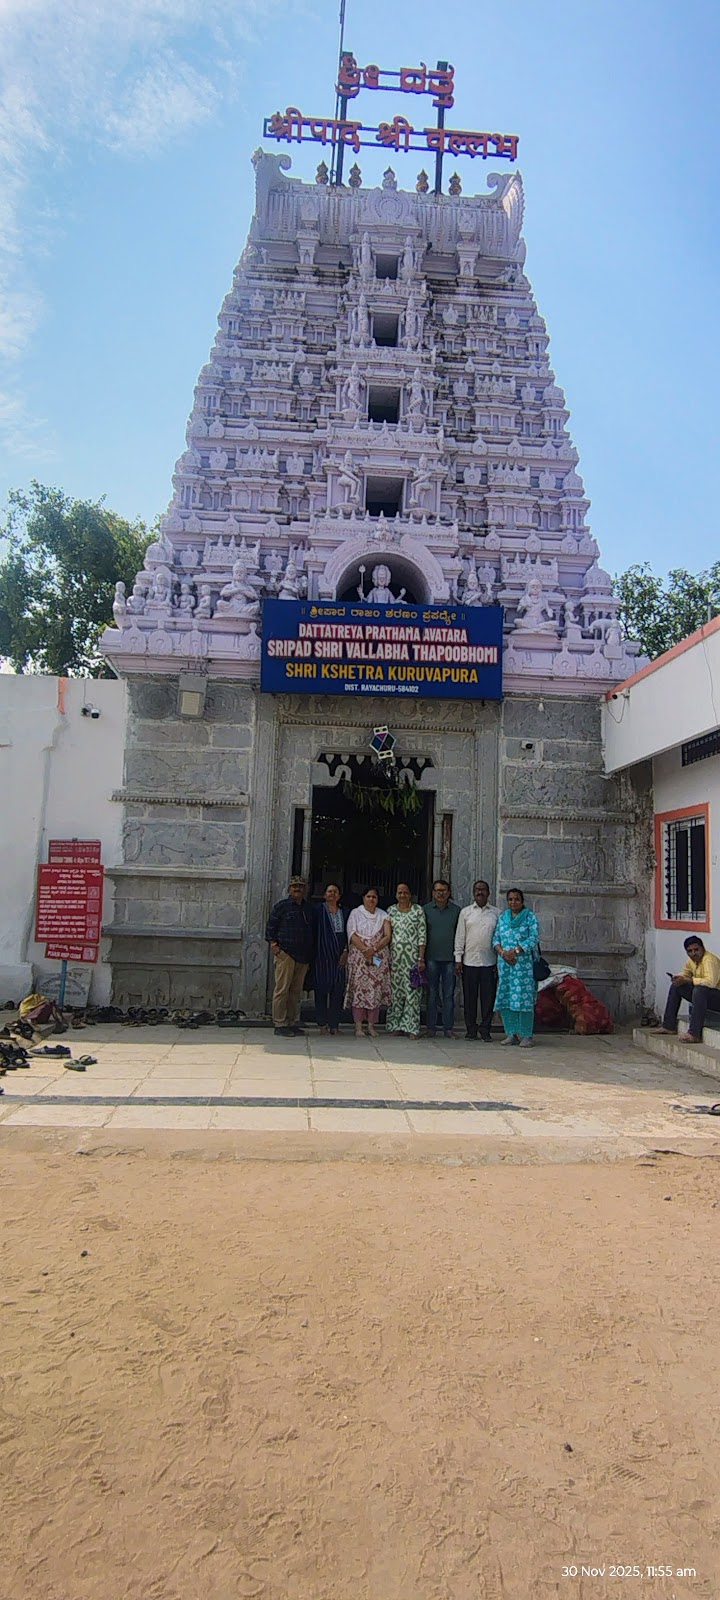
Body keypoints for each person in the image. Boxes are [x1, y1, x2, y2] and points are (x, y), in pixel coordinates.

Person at [265, 876, 313, 1037]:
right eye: (294, 886)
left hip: (303, 956)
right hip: (286, 954)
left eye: (300, 886)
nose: (297, 889)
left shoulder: (308, 908)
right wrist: (276, 948)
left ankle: (291, 1022)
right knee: (282, 990)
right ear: (289, 889)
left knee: (295, 992)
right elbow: (270, 928)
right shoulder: (282, 907)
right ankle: (279, 1023)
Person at [493, 887, 541, 1047]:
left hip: (523, 965)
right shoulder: (503, 918)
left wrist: (516, 951)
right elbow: (495, 939)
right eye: (510, 899)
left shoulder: (530, 917)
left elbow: (534, 938)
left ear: (522, 901)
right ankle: (510, 1033)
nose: (513, 902)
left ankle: (526, 1035)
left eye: (517, 899)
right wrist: (503, 953)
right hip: (505, 964)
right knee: (507, 997)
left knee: (524, 999)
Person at [454, 880, 500, 1041]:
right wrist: (458, 958)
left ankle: (485, 1030)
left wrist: (499, 961)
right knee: (470, 999)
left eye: (483, 889)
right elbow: (460, 936)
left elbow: (500, 938)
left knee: (488, 999)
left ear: (488, 892)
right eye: (477, 890)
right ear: (473, 893)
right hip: (469, 962)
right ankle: (471, 1030)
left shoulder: (497, 913)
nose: (480, 892)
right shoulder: (465, 912)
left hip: (489, 962)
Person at [344, 888, 392, 1038]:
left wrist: (374, 948)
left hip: (378, 956)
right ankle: (358, 1026)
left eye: (374, 897)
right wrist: (365, 950)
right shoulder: (355, 913)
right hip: (360, 957)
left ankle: (371, 1026)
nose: (371, 899)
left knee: (374, 991)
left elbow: (387, 935)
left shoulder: (383, 915)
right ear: (363, 898)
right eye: (368, 896)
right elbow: (352, 934)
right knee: (359, 990)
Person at [658, 936, 720, 1043]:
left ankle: (694, 1033)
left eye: (696, 950)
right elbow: (685, 973)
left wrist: (689, 980)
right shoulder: (691, 961)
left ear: (703, 949)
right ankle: (668, 1026)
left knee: (699, 990)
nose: (694, 953)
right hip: (705, 997)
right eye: (690, 951)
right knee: (677, 985)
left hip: (716, 997)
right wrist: (679, 978)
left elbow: (711, 982)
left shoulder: (709, 960)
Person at [387, 884, 427, 1038]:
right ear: (396, 895)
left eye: (405, 892)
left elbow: (422, 935)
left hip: (412, 959)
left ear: (410, 895)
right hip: (395, 959)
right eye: (400, 892)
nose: (402, 895)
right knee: (396, 993)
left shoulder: (418, 910)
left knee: (413, 993)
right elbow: (387, 935)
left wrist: (421, 958)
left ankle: (411, 1027)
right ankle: (395, 1025)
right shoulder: (390, 911)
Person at [423, 879, 461, 1038]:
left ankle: (448, 1028)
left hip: (450, 959)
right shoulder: (425, 910)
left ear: (449, 893)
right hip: (431, 957)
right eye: (438, 890)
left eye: (444, 890)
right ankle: (430, 1028)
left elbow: (460, 936)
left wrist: (459, 957)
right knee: (431, 994)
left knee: (448, 995)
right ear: (433, 893)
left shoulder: (457, 911)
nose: (441, 893)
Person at [311, 883, 348, 1035]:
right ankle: (321, 1024)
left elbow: (349, 933)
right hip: (321, 956)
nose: (332, 894)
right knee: (320, 991)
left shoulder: (345, 912)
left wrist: (346, 951)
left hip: (340, 956)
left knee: (338, 991)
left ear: (339, 896)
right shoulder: (317, 911)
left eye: (335, 892)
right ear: (325, 895)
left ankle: (334, 1025)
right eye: (329, 892)